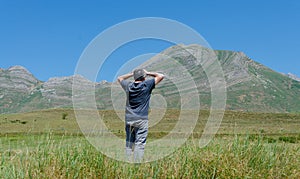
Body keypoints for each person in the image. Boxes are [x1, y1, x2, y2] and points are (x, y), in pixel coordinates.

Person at [117, 69, 164, 162]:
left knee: (129, 143)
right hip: (141, 119)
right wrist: (148, 73)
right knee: (140, 143)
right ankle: (137, 165)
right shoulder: (147, 85)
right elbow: (161, 76)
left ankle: (127, 163)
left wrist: (132, 74)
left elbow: (120, 78)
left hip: (129, 119)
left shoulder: (128, 86)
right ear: (144, 77)